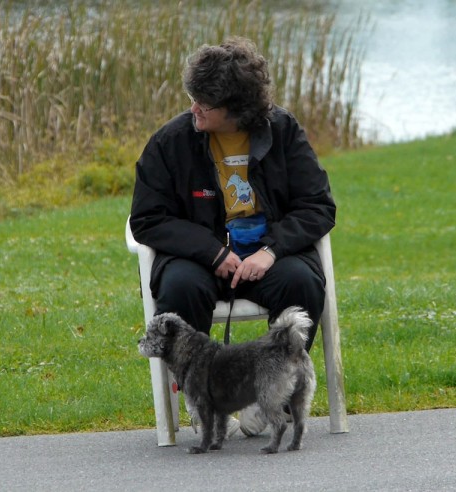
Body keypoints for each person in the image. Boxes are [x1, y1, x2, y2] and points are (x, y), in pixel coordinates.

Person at [130, 36, 336, 437]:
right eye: (193, 98)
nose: (193, 110)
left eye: (204, 104)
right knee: (180, 288)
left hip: (269, 253)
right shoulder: (171, 142)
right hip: (200, 257)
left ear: (237, 109)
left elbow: (318, 206)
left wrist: (271, 252)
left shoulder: (284, 131)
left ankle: (274, 396)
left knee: (302, 282)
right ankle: (197, 396)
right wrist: (211, 252)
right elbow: (147, 218)